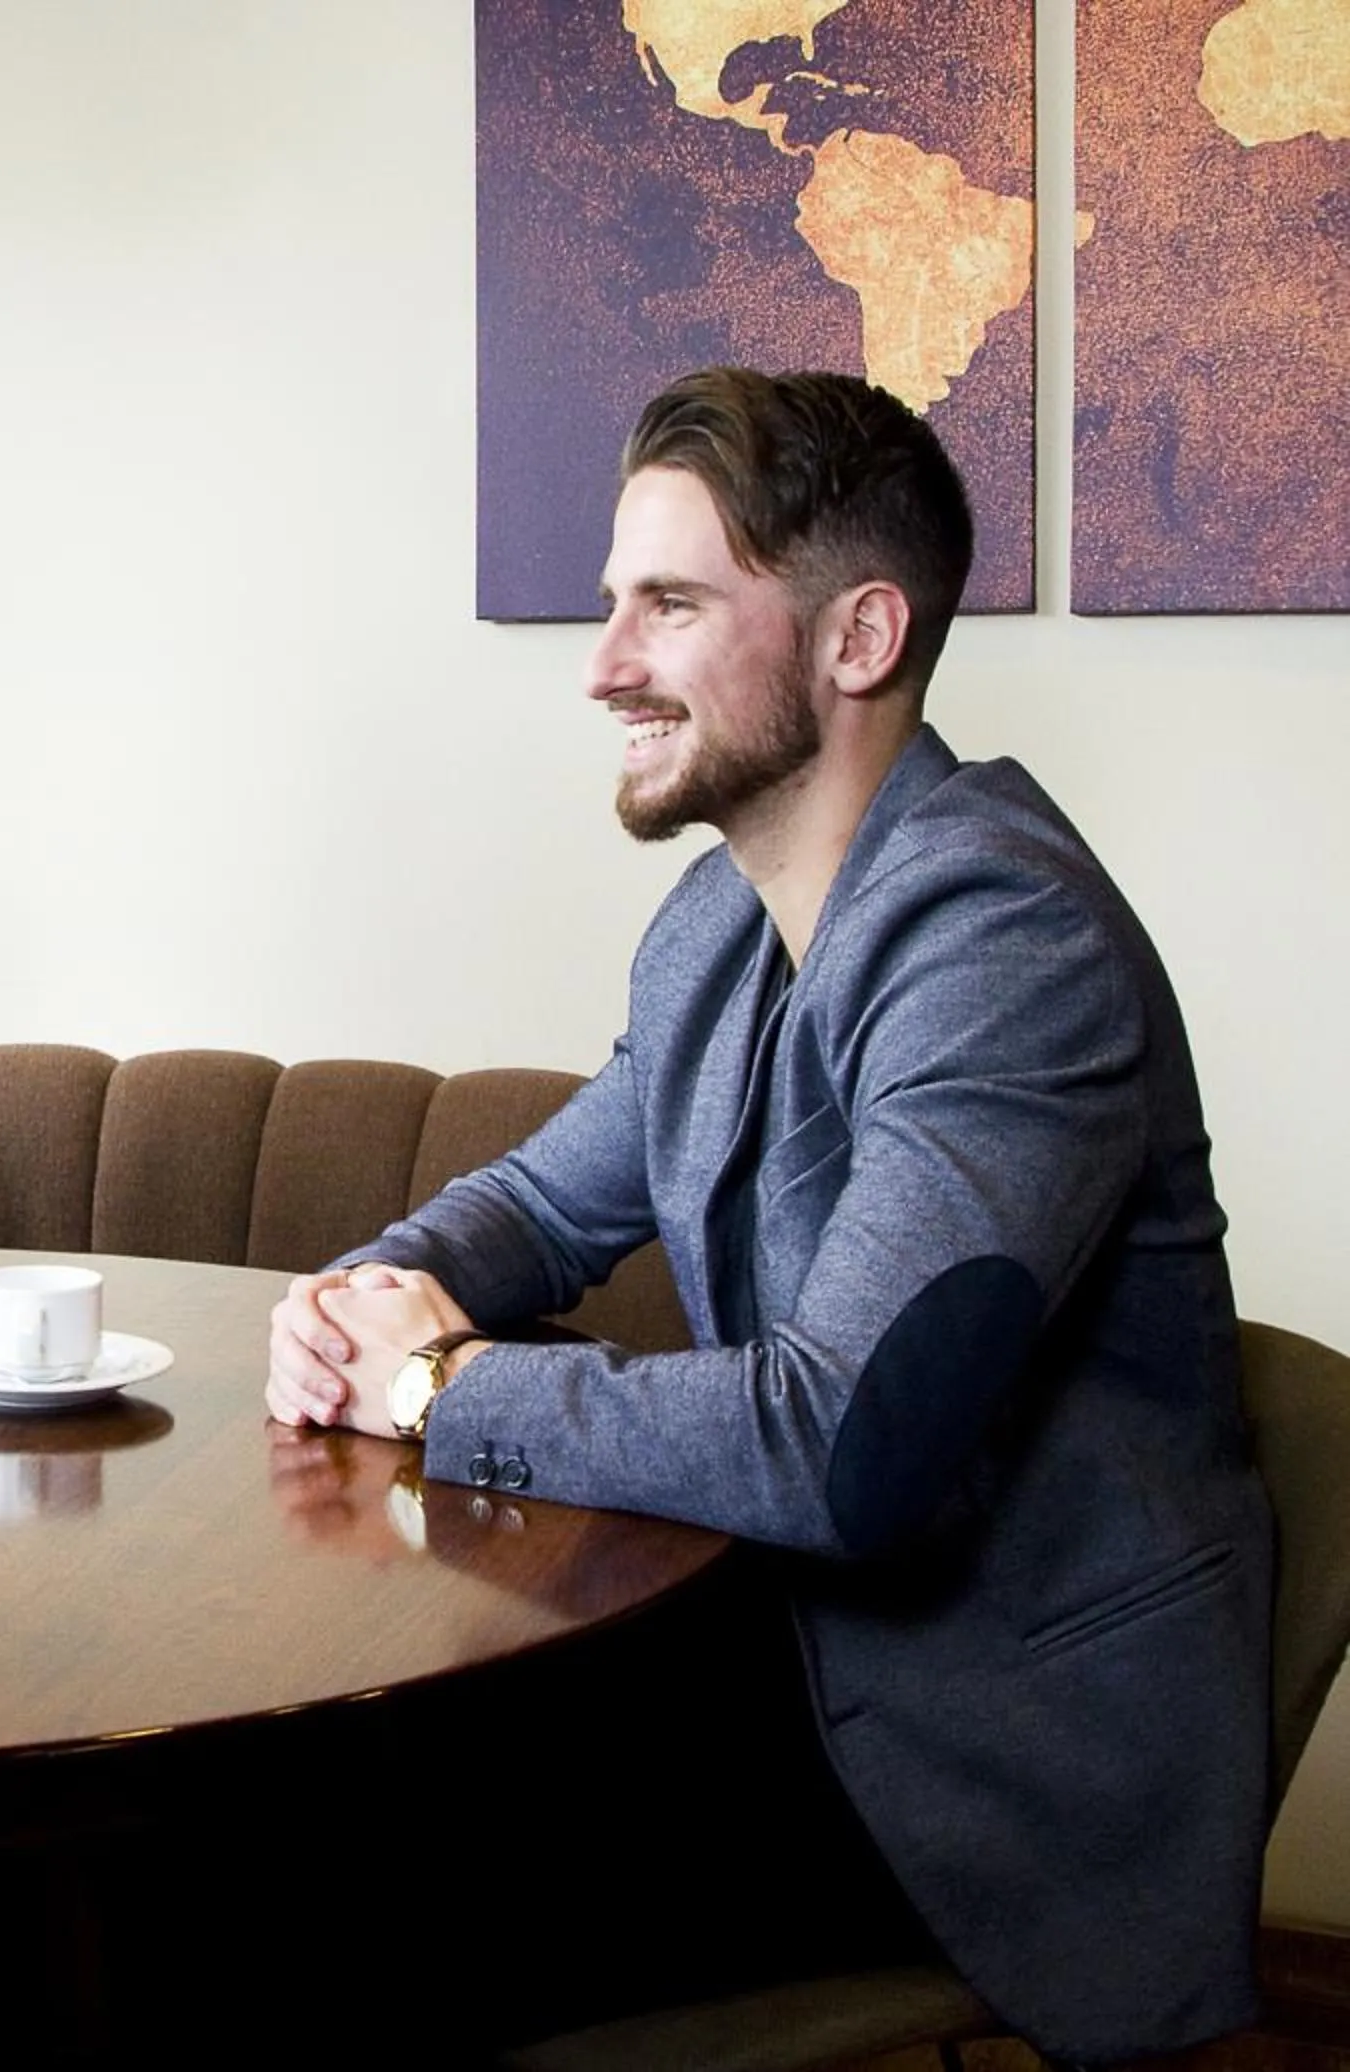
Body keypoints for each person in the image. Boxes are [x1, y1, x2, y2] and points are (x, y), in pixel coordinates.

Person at [264, 368, 1271, 2064]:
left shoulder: (1003, 939)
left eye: (668, 604)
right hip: (774, 1657)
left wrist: (438, 1391)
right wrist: (381, 1283)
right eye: (611, 604)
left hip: (989, 1760)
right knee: (258, 1842)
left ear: (857, 638)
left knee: (319, 1918)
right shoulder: (719, 928)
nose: (601, 666)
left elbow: (842, 1436)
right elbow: (550, 1196)